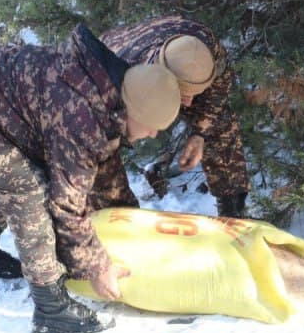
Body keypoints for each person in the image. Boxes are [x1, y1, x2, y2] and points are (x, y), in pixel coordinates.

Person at [0, 25, 182, 333]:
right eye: (151, 126)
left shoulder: (106, 94)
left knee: (9, 170)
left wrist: (131, 222)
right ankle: (51, 307)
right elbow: (67, 202)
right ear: (133, 110)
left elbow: (105, 168)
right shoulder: (81, 114)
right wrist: (95, 266)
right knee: (26, 190)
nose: (153, 134)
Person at [91, 15, 251, 217]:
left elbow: (218, 92)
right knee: (110, 143)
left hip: (168, 49)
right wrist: (123, 211)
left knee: (221, 122)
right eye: (183, 96)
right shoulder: (120, 79)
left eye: (194, 94)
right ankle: (108, 216)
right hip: (122, 51)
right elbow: (103, 149)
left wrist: (200, 133)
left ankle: (233, 208)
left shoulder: (208, 52)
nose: (189, 104)